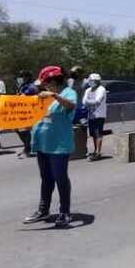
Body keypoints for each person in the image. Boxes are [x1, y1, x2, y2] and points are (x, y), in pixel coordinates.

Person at [23, 66, 79, 227]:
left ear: (53, 81)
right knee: (46, 178)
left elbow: (71, 106)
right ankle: (43, 210)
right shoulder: (41, 95)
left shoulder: (68, 93)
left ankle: (65, 212)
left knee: (60, 177)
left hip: (59, 146)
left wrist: (54, 95)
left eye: (46, 83)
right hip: (43, 144)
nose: (43, 87)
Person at [83, 73, 108, 160]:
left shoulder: (102, 89)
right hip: (91, 115)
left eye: (92, 80)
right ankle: (95, 150)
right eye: (89, 80)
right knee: (93, 134)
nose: (90, 82)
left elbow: (97, 101)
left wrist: (88, 101)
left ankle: (98, 152)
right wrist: (89, 101)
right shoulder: (88, 90)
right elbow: (83, 102)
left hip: (99, 115)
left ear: (97, 81)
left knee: (98, 133)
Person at [14, 71, 38, 158]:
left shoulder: (32, 86)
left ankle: (27, 149)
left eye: (23, 76)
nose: (21, 78)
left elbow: (31, 92)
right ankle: (27, 147)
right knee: (16, 129)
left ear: (28, 77)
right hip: (20, 111)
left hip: (28, 111)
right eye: (20, 76)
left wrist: (23, 95)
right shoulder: (21, 86)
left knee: (25, 130)